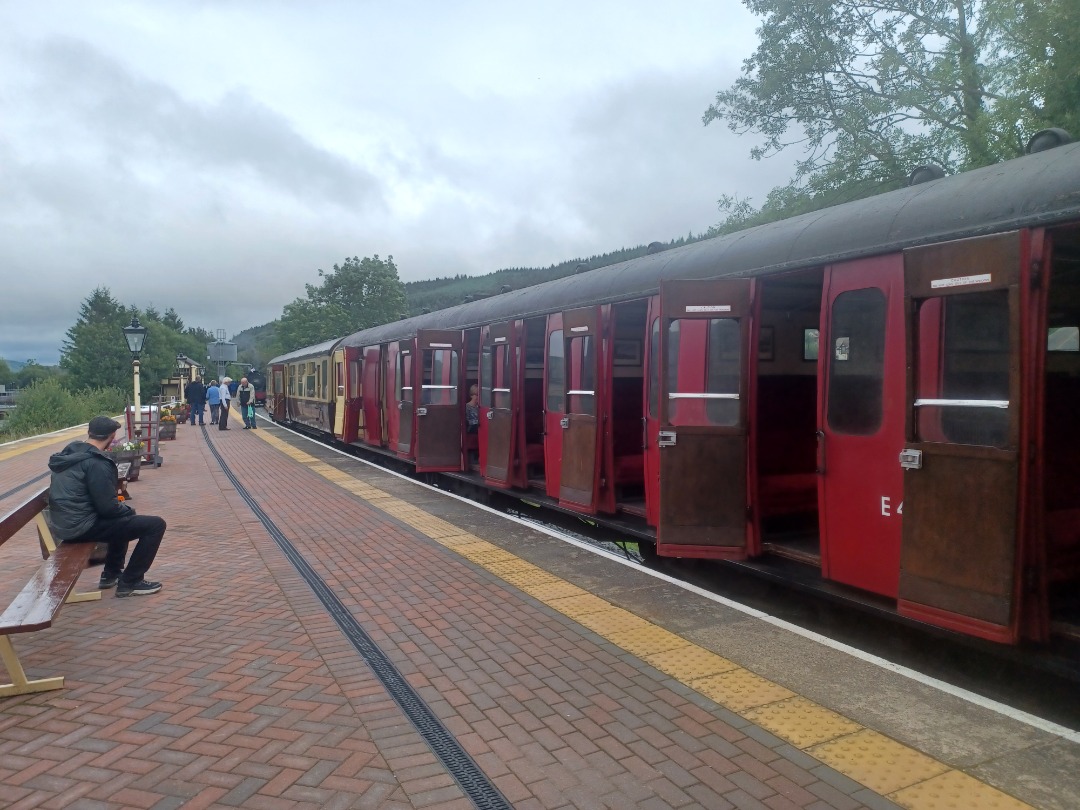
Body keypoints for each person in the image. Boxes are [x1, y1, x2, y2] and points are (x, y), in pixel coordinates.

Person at [47, 416, 165, 597]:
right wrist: (126, 510)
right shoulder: (96, 463)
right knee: (155, 525)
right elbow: (107, 508)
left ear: (89, 433)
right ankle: (130, 582)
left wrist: (124, 512)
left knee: (123, 517)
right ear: (112, 436)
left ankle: (111, 574)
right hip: (80, 527)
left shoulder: (70, 453)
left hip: (65, 523)